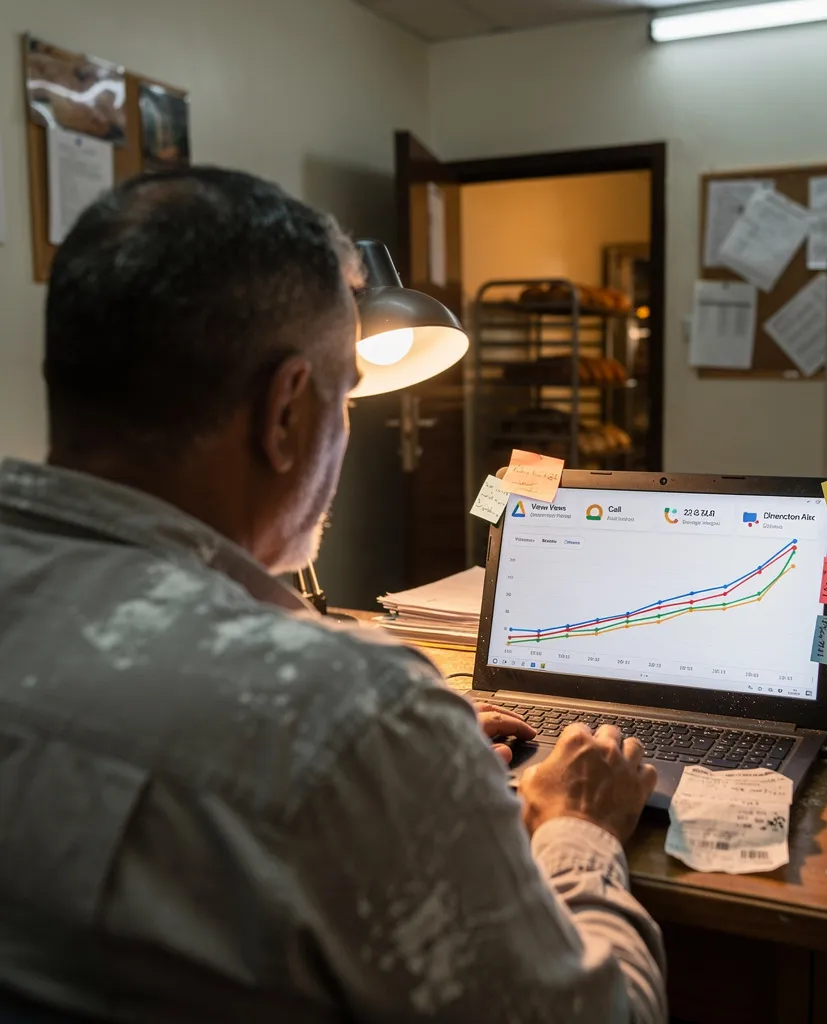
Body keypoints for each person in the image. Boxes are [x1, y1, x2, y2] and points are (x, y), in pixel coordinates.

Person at [0, 168, 667, 1023]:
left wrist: (412, 758)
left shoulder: (367, 726)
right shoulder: (359, 716)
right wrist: (579, 832)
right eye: (346, 391)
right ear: (285, 411)